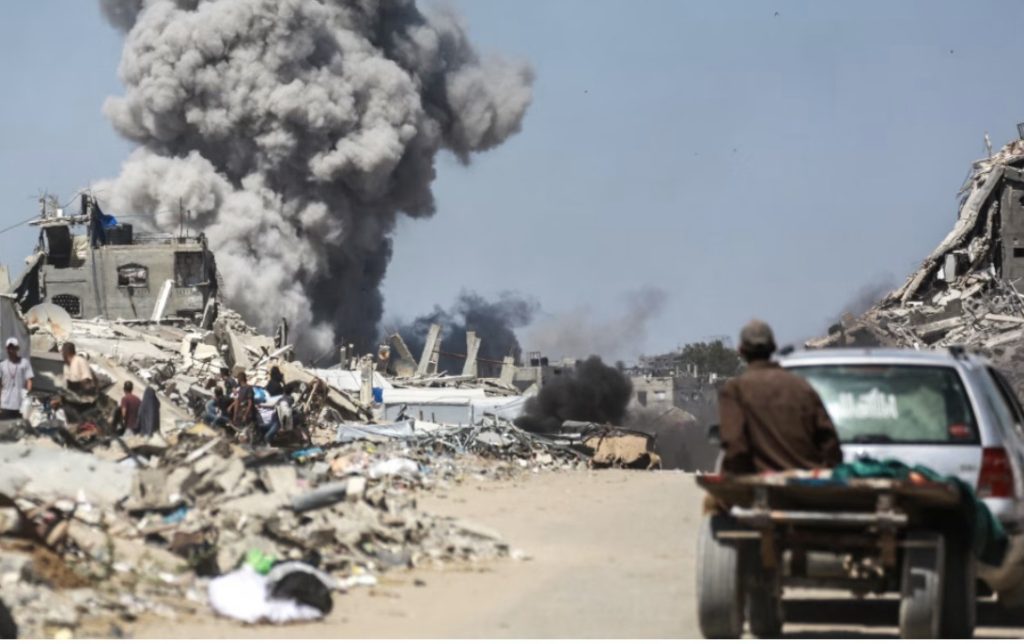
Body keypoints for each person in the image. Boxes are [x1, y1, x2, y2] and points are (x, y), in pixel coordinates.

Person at [717, 319, 842, 475]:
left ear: (741, 350)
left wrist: (740, 477)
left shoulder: (735, 390)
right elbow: (829, 441)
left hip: (760, 483)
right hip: (805, 482)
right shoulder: (801, 386)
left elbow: (734, 443)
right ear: (773, 347)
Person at [0, 338, 32, 420]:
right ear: (6, 349)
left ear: (17, 348)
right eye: (9, 348)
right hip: (5, 404)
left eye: (13, 348)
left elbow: (29, 380)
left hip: (20, 404)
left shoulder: (24, 363)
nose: (11, 350)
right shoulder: (2, 365)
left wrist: (27, 395)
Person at [228, 371, 256, 438]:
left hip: (246, 413)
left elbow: (250, 403)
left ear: (240, 379)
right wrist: (231, 406)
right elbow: (238, 400)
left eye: (238, 378)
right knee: (238, 429)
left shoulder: (248, 388)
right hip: (240, 412)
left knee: (245, 432)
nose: (237, 380)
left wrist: (245, 415)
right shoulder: (241, 388)